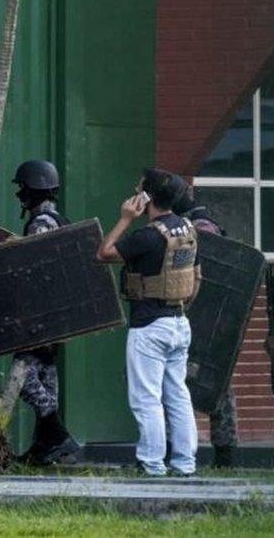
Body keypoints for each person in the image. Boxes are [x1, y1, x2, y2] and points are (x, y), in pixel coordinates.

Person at [96, 167, 201, 477]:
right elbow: (197, 276)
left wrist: (126, 217)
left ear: (146, 197)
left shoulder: (147, 236)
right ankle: (185, 464)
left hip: (150, 325)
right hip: (179, 320)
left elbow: (104, 253)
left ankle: (152, 464)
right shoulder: (188, 229)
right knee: (178, 395)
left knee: (146, 398)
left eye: (139, 189)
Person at [10, 160, 81, 465]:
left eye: (22, 188)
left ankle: (57, 435)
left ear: (33, 188)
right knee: (47, 376)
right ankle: (44, 449)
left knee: (24, 379)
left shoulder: (40, 224)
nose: (20, 195)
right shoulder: (62, 219)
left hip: (40, 316)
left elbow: (35, 270)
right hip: (57, 316)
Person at [172, 187, 238, 468]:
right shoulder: (205, 224)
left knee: (211, 386)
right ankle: (222, 454)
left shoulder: (199, 228)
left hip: (204, 318)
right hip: (211, 319)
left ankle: (223, 455)